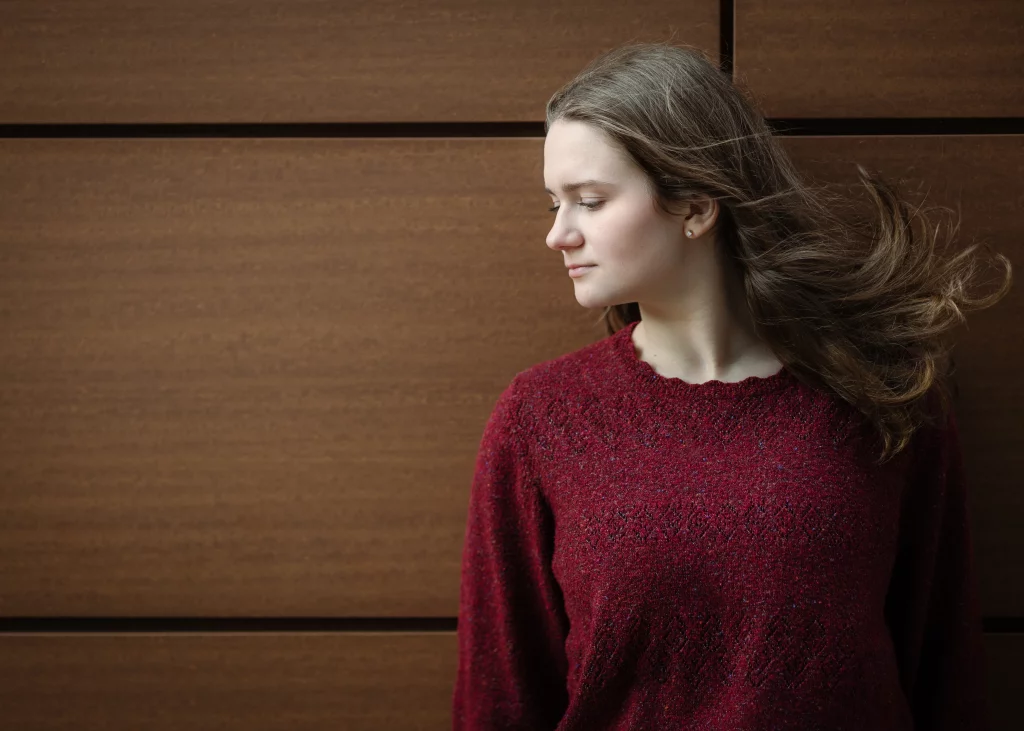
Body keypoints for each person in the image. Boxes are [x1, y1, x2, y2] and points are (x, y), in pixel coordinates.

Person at [451, 42, 1011, 730]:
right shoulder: (542, 417)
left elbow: (945, 668)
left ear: (695, 204)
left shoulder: (887, 392)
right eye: (552, 204)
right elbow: (500, 697)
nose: (558, 234)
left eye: (589, 201)